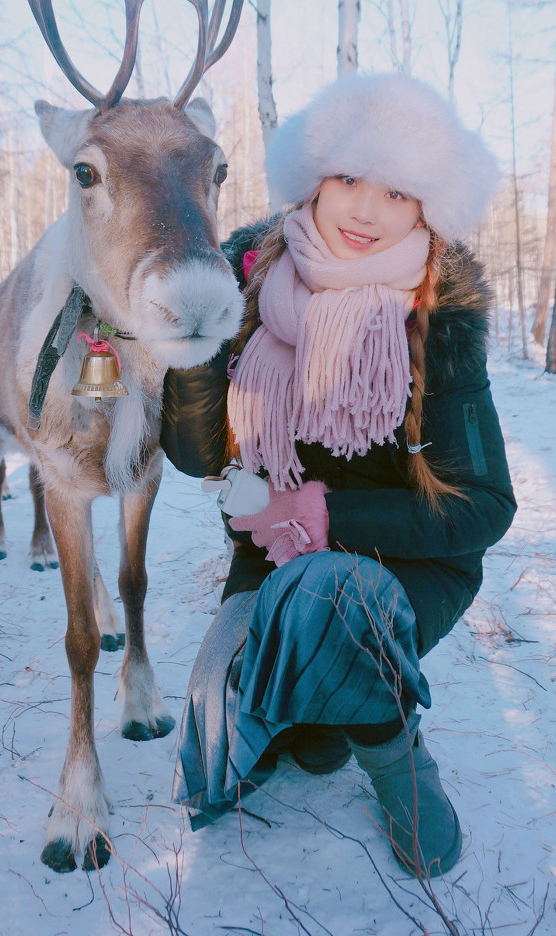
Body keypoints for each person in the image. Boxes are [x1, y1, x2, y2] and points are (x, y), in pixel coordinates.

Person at [161, 73, 516, 879]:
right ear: (312, 178)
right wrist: (193, 349)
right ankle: (320, 714)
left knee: (330, 602)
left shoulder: (437, 310)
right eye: (348, 178)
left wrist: (318, 514)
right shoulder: (246, 283)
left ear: (425, 210)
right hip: (270, 561)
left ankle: (399, 764)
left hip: (409, 567)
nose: (364, 209)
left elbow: (483, 508)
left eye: (397, 192)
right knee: (234, 754)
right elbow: (197, 458)